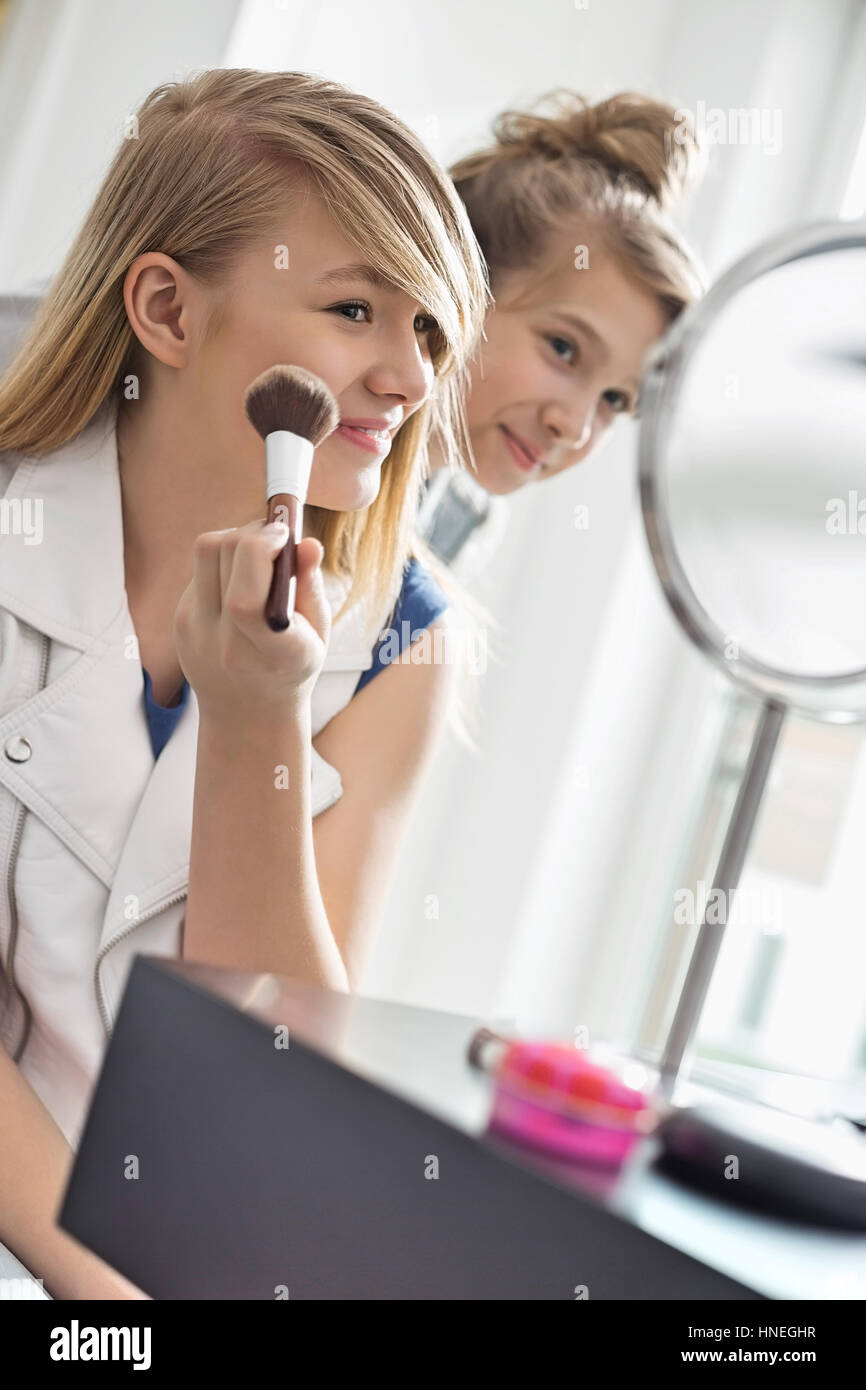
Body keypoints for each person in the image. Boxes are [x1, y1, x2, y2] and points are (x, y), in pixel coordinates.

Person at [0, 67, 487, 1298]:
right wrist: (102, 1297)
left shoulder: (401, 645)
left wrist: (255, 725)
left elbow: (279, 1064)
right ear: (166, 311)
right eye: (353, 310)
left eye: (426, 328)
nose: (408, 376)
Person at [417, 91, 707, 582]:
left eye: (615, 398)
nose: (573, 429)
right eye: (564, 348)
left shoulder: (463, 524)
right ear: (454, 282)